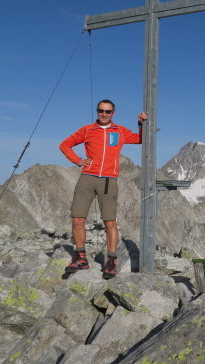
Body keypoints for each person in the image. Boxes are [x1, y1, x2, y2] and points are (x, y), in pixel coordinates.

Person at [59, 99, 147, 279]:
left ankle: (111, 261)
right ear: (97, 112)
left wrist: (141, 124)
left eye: (108, 111)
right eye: (101, 111)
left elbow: (141, 139)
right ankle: (80, 257)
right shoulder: (87, 130)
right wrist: (77, 161)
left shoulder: (120, 131)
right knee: (77, 219)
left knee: (110, 222)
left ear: (113, 113)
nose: (104, 114)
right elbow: (64, 145)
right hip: (87, 178)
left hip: (108, 180)